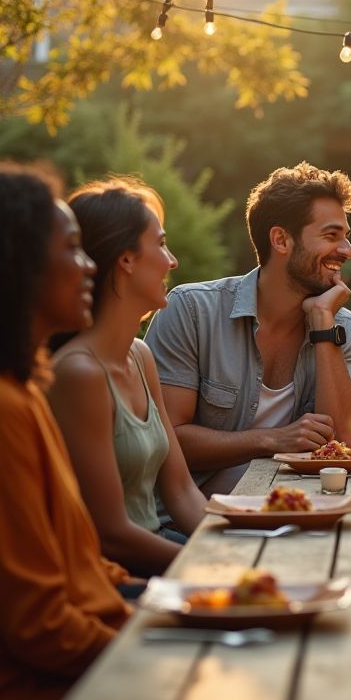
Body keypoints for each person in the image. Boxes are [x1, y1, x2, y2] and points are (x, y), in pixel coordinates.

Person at [0, 163, 131, 700]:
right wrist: (153, 653)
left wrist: (173, 604)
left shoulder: (18, 391)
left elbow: (81, 569)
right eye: (72, 248)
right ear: (13, 267)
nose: (90, 266)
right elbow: (40, 627)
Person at [144, 161, 351, 496]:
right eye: (331, 235)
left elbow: (347, 442)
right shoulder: (192, 310)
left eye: (346, 237)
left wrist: (323, 326)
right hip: (193, 523)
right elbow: (166, 439)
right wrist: (272, 439)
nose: (348, 251)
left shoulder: (339, 326)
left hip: (300, 514)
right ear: (281, 240)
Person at [48, 178, 208, 577]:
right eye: (161, 244)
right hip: (113, 579)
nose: (172, 261)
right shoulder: (79, 374)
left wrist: (238, 546)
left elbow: (183, 492)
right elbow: (111, 534)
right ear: (127, 260)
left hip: (161, 556)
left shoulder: (140, 356)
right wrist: (212, 567)